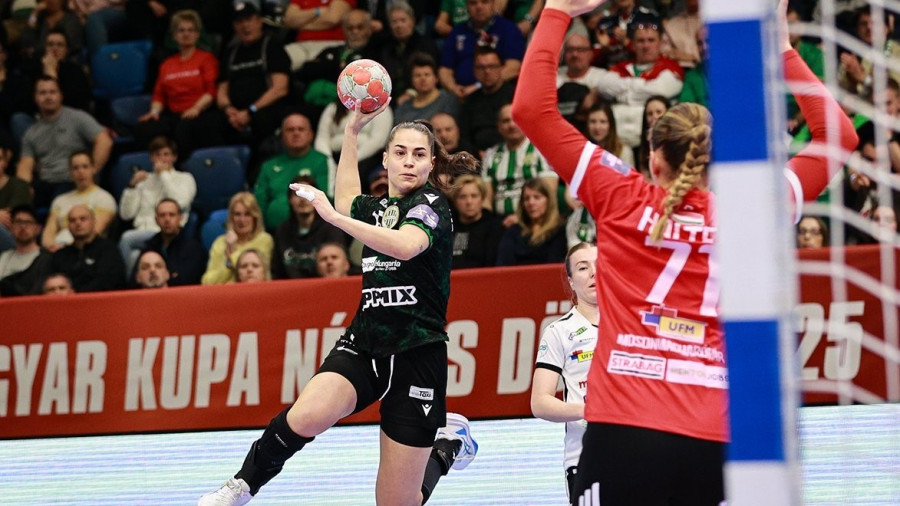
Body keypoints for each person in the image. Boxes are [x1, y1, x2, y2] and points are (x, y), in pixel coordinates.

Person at [511, 1, 857, 504]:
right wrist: (782, 47)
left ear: (653, 157)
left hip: (624, 428)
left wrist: (558, 10)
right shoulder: (754, 208)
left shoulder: (620, 194)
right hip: (716, 434)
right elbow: (839, 136)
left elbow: (531, 111)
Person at [199, 102, 481, 505]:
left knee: (397, 503)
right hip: (365, 342)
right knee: (306, 415)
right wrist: (351, 132)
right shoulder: (378, 208)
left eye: (419, 154)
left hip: (417, 353)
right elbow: (347, 197)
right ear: (385, 159)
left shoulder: (432, 204)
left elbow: (405, 245)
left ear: (431, 163)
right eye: (400, 152)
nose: (408, 161)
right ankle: (241, 486)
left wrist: (335, 219)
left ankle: (447, 445)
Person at [531, 242, 598, 501]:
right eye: (583, 268)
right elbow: (540, 402)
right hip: (585, 458)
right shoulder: (559, 331)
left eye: (599, 265)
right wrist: (593, 410)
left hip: (640, 452)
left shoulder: (634, 324)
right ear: (571, 281)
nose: (593, 272)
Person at [134, 10, 222, 157]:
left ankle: (183, 166)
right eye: (181, 30)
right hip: (174, 115)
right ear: (174, 36)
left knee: (185, 127)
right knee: (143, 129)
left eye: (190, 30)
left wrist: (196, 108)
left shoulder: (207, 59)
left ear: (197, 34)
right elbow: (159, 95)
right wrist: (154, 113)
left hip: (199, 112)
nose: (186, 34)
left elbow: (211, 91)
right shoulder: (167, 64)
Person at [16, 76, 113, 208]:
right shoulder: (31, 133)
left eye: (52, 92)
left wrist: (92, 170)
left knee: (59, 199)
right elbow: (25, 165)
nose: (48, 97)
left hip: (71, 181)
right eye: (43, 93)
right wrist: (23, 188)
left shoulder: (78, 118)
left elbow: (104, 141)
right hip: (45, 183)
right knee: (17, 203)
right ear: (35, 98)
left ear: (61, 95)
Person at [215, 2, 291, 157]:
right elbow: (222, 91)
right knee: (209, 123)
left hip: (263, 109)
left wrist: (250, 111)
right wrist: (229, 110)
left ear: (259, 21)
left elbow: (280, 89)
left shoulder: (272, 46)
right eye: (239, 22)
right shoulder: (231, 52)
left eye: (249, 20)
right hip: (236, 113)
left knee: (262, 120)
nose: (245, 26)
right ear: (234, 26)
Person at [119, 136, 197, 275]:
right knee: (134, 257)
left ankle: (125, 284)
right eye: (157, 155)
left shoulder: (185, 178)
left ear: (174, 157)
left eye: (166, 154)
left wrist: (164, 175)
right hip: (141, 233)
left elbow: (181, 203)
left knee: (126, 239)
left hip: (168, 232)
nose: (161, 159)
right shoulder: (144, 180)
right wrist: (132, 187)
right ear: (151, 158)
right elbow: (126, 215)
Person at [482, 103, 558, 226]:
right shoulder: (491, 155)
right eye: (506, 121)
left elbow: (548, 192)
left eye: (516, 119)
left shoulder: (541, 150)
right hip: (499, 222)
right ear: (498, 126)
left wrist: (520, 217)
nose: (511, 125)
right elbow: (486, 199)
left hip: (534, 221)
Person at [254, 113, 332, 230]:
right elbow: (258, 203)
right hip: (272, 231)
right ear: (282, 136)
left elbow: (326, 199)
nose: (296, 133)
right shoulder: (268, 166)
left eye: (301, 129)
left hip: (314, 230)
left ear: (310, 135)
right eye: (290, 130)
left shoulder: (323, 161)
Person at [439, 0, 525, 98]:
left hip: (495, 92)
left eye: (484, 2)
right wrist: (454, 88)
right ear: (467, 7)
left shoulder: (509, 29)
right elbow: (445, 69)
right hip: (459, 94)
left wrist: (478, 87)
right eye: (473, 3)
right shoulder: (457, 32)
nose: (479, 7)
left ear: (493, 4)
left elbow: (513, 68)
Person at [272, 175, 347, 279]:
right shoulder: (282, 231)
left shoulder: (331, 228)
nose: (302, 199)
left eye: (307, 194)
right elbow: (277, 270)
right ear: (290, 200)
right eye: (297, 194)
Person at [41, 151, 117, 251]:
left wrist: (66, 250)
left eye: (85, 167)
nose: (81, 172)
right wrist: (51, 247)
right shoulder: (60, 200)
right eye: (75, 168)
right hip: (56, 250)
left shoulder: (104, 198)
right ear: (71, 172)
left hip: (88, 250)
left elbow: (93, 233)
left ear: (93, 169)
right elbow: (48, 233)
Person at [201, 192, 274, 285]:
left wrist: (231, 257)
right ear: (231, 218)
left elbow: (262, 277)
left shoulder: (265, 240)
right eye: (237, 214)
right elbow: (207, 282)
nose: (242, 220)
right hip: (226, 292)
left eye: (247, 214)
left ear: (255, 217)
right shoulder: (220, 243)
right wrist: (228, 266)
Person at [50, 204, 126, 292]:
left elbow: (109, 282)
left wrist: (77, 294)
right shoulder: (60, 255)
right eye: (72, 220)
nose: (78, 223)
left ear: (94, 221)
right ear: (68, 225)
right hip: (66, 300)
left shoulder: (108, 249)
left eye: (83, 219)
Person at [458, 48, 517, 156]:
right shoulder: (470, 101)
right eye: (481, 67)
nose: (487, 72)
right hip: (478, 158)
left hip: (512, 152)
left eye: (492, 66)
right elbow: (464, 137)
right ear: (474, 71)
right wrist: (476, 153)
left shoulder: (515, 96)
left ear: (501, 68)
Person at [496, 177, 567, 265]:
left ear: (549, 200)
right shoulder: (514, 231)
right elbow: (503, 264)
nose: (531, 203)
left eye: (537, 197)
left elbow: (554, 263)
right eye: (526, 199)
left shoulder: (559, 230)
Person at [378, 1, 440, 100]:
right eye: (394, 22)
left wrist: (411, 93)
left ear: (413, 21)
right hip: (389, 99)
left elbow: (430, 77)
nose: (398, 26)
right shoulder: (385, 47)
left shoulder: (426, 45)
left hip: (418, 96)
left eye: (403, 20)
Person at [143, 199, 207, 286]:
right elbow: (136, 279)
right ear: (156, 220)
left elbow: (188, 280)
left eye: (172, 215)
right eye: (162, 215)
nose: (167, 219)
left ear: (180, 218)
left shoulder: (193, 248)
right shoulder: (150, 245)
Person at [449, 174, 503, 269]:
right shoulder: (446, 228)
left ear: (482, 199)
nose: (469, 202)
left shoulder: (495, 228)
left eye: (474, 196)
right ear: (455, 201)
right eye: (462, 197)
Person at [0, 205, 53, 296]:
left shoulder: (46, 259)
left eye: (28, 222)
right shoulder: (3, 256)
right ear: (11, 228)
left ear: (38, 229)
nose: (23, 227)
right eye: (18, 222)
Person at [393, 53, 459, 126]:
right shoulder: (403, 108)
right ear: (411, 80)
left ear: (436, 78)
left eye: (427, 74)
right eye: (418, 75)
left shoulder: (448, 101)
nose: (423, 79)